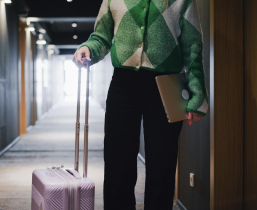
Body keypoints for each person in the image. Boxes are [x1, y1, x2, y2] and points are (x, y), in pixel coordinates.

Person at [73, 0, 209, 209]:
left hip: (166, 87)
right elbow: (101, 37)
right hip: (123, 86)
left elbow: (192, 47)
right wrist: (88, 48)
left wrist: (197, 96)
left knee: (162, 166)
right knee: (117, 163)